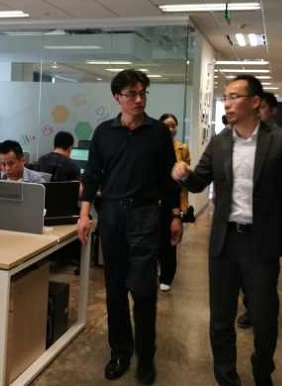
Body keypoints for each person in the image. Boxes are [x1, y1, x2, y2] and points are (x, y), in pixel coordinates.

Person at [171, 74, 282, 386]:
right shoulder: (220, 141)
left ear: (255, 102)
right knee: (220, 318)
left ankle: (262, 371)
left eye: (234, 97)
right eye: (226, 97)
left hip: (261, 242)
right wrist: (184, 174)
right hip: (224, 241)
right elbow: (199, 181)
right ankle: (226, 377)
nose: (227, 103)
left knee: (265, 318)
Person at [77, 69, 180, 385]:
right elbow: (92, 175)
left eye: (143, 93)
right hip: (112, 216)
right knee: (115, 289)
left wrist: (175, 215)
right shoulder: (103, 133)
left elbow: (169, 178)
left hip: (146, 216)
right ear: (117, 97)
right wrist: (84, 214)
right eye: (132, 94)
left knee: (144, 290)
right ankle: (120, 351)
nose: (139, 99)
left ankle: (146, 357)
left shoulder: (158, 133)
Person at [237, 91, 280, 330]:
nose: (257, 113)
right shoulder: (237, 140)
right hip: (239, 223)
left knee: (264, 280)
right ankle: (250, 309)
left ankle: (261, 315)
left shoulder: (281, 141)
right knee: (244, 276)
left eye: (262, 108)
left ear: (272, 111)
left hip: (266, 226)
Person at [157, 113, 191, 292]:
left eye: (173, 126)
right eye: (167, 125)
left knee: (169, 239)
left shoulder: (181, 148)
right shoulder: (153, 146)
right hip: (155, 199)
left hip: (174, 197)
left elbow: (187, 173)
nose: (171, 129)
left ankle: (167, 276)